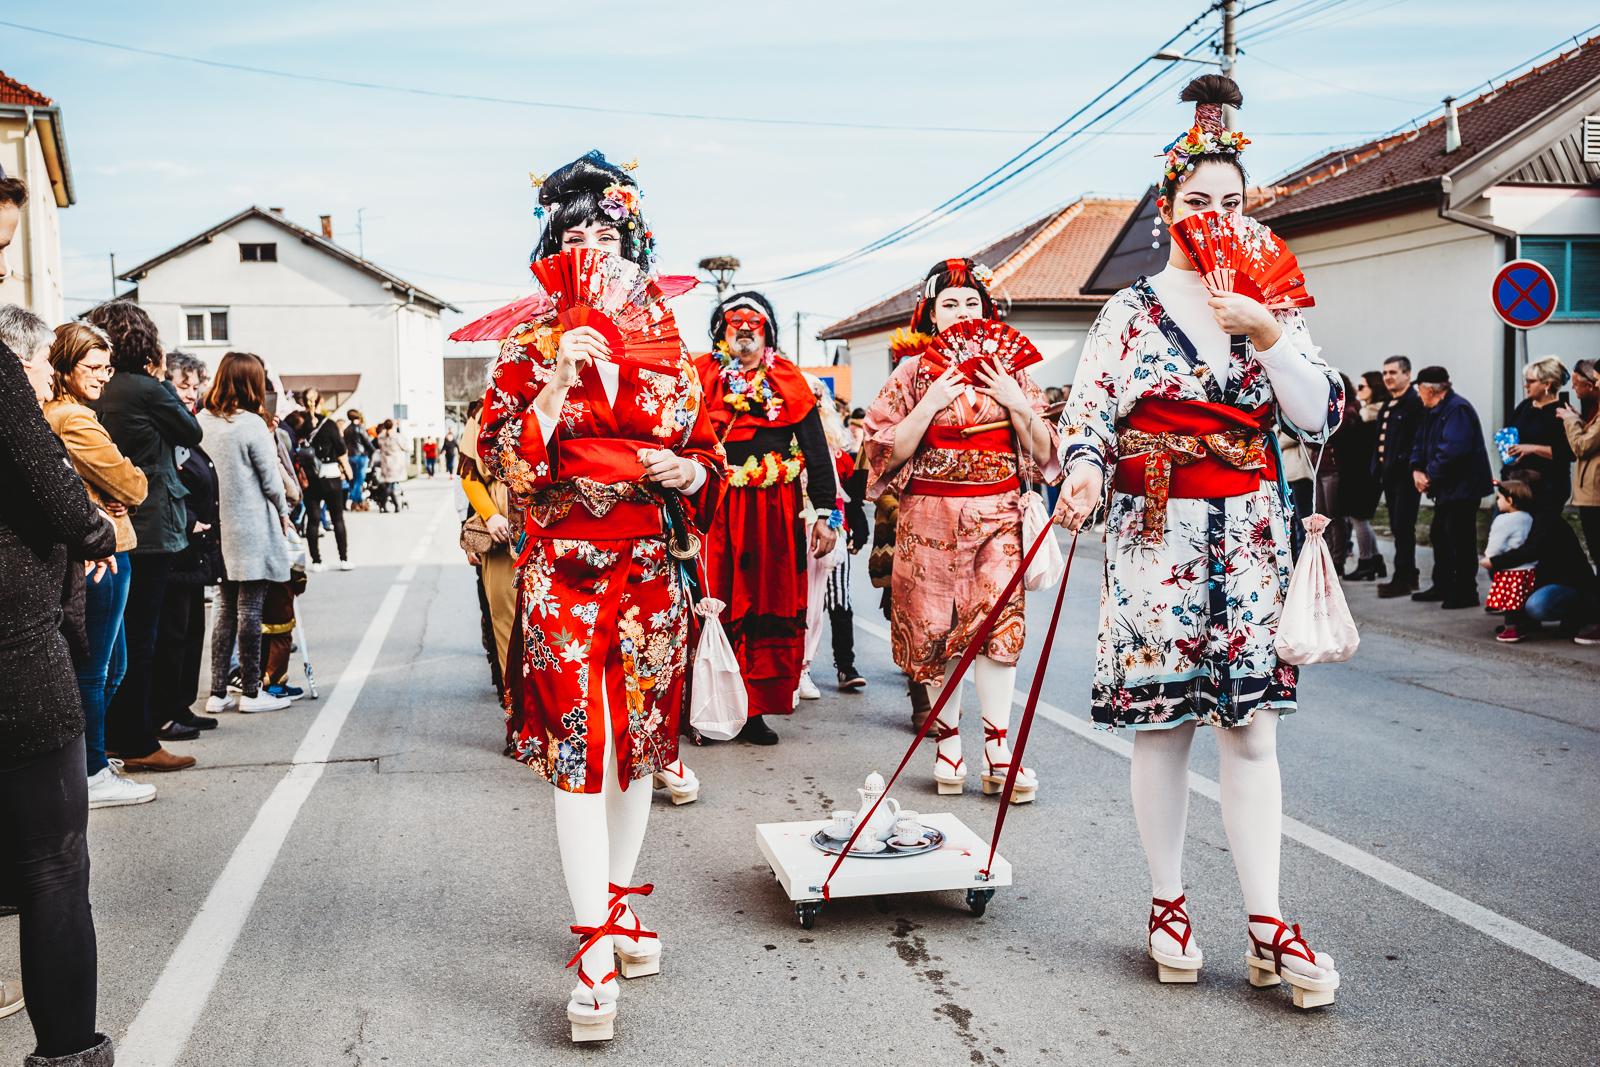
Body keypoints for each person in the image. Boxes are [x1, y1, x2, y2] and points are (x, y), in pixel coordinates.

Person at [1054, 75, 1343, 1001]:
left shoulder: (1274, 307)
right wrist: (1085, 468)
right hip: (1154, 537)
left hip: (1251, 537)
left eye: (1231, 202)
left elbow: (1320, 416)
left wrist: (1268, 334)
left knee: (1252, 731)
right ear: (1166, 210)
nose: (1215, 216)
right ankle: (1168, 901)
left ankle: (1266, 920)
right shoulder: (1128, 310)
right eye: (1196, 202)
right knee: (1164, 727)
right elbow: (1089, 415)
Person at [479, 150, 726, 1041]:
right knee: (581, 743)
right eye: (576, 234)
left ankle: (619, 900)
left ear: (635, 246)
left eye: (608, 234)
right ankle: (591, 941)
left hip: (649, 564)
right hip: (564, 566)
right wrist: (552, 382)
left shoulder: (669, 339)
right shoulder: (529, 342)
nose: (593, 246)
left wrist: (688, 470)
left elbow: (708, 449)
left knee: (638, 745)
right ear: (555, 250)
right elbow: (498, 457)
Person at [0, 176, 120, 1066]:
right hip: (11, 642)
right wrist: (95, 532)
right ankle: (70, 1054)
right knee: (52, 860)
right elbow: (52, 485)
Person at [865, 256, 1060, 802]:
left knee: (999, 630)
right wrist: (929, 403)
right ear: (931, 314)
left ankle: (1000, 749)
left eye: (972, 302)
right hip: (929, 514)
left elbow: (1043, 451)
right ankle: (947, 743)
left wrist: (1016, 401)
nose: (962, 312)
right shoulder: (910, 373)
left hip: (998, 515)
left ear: (987, 311)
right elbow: (883, 453)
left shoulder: (1012, 371)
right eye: (949, 304)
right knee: (935, 629)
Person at [696, 290, 837, 745]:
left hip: (772, 513)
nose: (743, 329)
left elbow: (816, 451)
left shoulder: (788, 379)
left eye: (753, 321)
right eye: (733, 320)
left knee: (764, 603)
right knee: (711, 600)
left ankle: (753, 710)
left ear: (767, 331)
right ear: (720, 331)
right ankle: (707, 708)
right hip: (715, 508)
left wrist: (824, 514)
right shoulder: (699, 375)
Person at [43, 321, 159, 808]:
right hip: (102, 556)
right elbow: (133, 484)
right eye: (91, 367)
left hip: (98, 548)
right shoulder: (75, 419)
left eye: (107, 368)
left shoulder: (54, 413)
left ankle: (88, 762)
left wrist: (110, 491)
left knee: (110, 667)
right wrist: (123, 490)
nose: (102, 377)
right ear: (64, 366)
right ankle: (90, 772)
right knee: (96, 670)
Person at [86, 300, 203, 774]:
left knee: (112, 639)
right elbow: (190, 431)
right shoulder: (146, 388)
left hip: (103, 518)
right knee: (141, 635)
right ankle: (137, 738)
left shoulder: (93, 387)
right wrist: (161, 379)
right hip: (149, 521)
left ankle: (115, 735)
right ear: (144, 341)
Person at [196, 353, 294, 714]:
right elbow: (272, 481)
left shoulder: (201, 421)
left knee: (223, 608)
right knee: (250, 608)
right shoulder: (251, 424)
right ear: (251, 384)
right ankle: (252, 692)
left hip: (216, 525)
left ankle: (217, 691)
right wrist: (284, 513)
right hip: (251, 525)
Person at [149, 352, 225, 735]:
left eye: (196, 386)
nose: (192, 393)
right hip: (177, 547)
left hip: (194, 550)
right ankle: (165, 713)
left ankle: (182, 706)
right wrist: (191, 520)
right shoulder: (163, 428)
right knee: (173, 635)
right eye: (184, 386)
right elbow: (160, 482)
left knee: (192, 631)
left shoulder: (184, 427)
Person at [1410, 365, 1493, 609]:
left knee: (1460, 540)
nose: (1418, 395)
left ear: (1430, 390)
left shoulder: (1457, 409)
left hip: (1462, 488)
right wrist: (1416, 469)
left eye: (1419, 390)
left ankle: (1466, 591)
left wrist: (1429, 477)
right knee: (1440, 535)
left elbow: (1454, 450)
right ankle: (1443, 585)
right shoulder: (1435, 410)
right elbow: (1419, 441)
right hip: (1448, 488)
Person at [1488, 475, 1597, 642]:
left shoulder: (1545, 518)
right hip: (1541, 577)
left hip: (1568, 581)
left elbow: (1529, 552)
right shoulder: (1519, 516)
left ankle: (1577, 614)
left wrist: (1495, 561)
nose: (1499, 501)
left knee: (1537, 605)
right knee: (1501, 572)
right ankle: (1525, 621)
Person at [1374, 356, 1425, 597]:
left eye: (1393, 372)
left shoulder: (1414, 403)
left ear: (1407, 374)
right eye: (1385, 373)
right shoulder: (1388, 405)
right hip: (1389, 477)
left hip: (1405, 476)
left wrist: (1408, 465)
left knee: (1403, 526)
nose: (1387, 377)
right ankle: (1409, 574)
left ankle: (1403, 578)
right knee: (1397, 525)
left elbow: (1417, 439)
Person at [1557, 359, 1600, 644]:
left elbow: (1582, 446)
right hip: (1591, 494)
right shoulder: (1594, 408)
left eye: (1577, 383)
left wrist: (1570, 421)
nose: (1573, 388)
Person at [1502, 356, 1575, 514]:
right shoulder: (1525, 406)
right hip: (1516, 484)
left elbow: (1569, 452)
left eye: (1530, 381)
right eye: (1526, 380)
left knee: (1538, 528)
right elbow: (1509, 431)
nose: (1525, 385)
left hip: (1547, 489)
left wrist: (1533, 448)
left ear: (1547, 384)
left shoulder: (1562, 412)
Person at [1342, 371, 1387, 580]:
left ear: (1374, 388)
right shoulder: (1367, 412)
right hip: (1360, 473)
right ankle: (1376, 560)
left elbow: (1364, 447)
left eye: (1362, 386)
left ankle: (1365, 563)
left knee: (1358, 517)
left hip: (1366, 475)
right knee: (1358, 517)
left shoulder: (1375, 415)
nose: (1358, 390)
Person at [1482, 478, 1537, 638]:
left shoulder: (1503, 519)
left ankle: (1511, 629)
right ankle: (1524, 626)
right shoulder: (1528, 517)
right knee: (1522, 599)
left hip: (1510, 569)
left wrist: (1489, 556)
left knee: (1510, 601)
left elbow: (1496, 542)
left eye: (1499, 498)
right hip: (1528, 568)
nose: (1497, 501)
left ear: (1510, 500)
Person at [301, 402, 350, 571]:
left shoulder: (301, 423)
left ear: (303, 403)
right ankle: (344, 559)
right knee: (337, 518)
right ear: (320, 402)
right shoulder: (329, 424)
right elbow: (341, 448)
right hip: (330, 475)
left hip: (310, 476)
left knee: (313, 520)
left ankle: (316, 561)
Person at [374, 419, 408, 511]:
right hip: (395, 463)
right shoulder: (397, 436)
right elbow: (405, 446)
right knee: (390, 484)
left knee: (389, 484)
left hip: (385, 462)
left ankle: (396, 506)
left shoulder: (381, 437)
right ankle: (383, 505)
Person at [344, 409, 374, 510]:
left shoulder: (347, 429)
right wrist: (374, 451)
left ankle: (361, 501)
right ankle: (355, 501)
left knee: (354, 481)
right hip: (361, 456)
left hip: (351, 457)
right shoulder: (360, 428)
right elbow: (367, 442)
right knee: (359, 481)